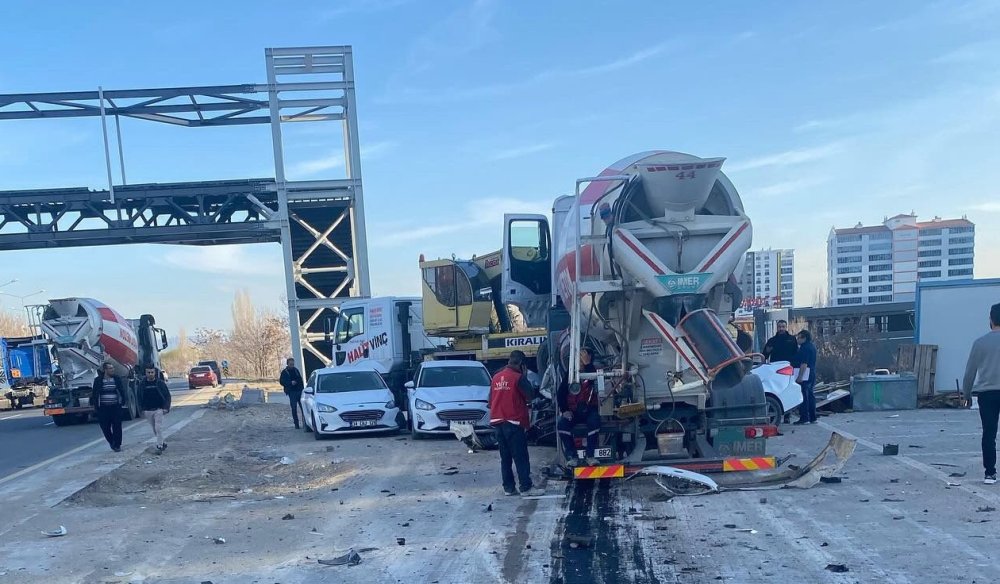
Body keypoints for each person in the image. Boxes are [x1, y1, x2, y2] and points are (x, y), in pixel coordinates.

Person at [488, 350, 542, 497]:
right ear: (522, 364)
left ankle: (509, 488)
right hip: (513, 422)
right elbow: (530, 395)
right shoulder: (518, 378)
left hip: (498, 423)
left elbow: (490, 401)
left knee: (505, 458)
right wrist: (525, 377)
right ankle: (526, 487)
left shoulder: (496, 377)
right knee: (520, 456)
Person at [962, 302, 1000, 485]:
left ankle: (990, 473)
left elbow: (970, 372)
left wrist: (967, 395)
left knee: (989, 433)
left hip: (987, 394)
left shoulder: (980, 343)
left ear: (991, 319)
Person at [557, 348, 601, 467]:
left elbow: (593, 380)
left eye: (583, 359)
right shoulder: (570, 375)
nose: (581, 362)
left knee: (595, 421)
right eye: (579, 359)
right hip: (573, 411)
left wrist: (588, 364)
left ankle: (590, 456)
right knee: (562, 424)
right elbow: (561, 394)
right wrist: (565, 410)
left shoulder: (593, 372)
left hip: (589, 410)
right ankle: (572, 456)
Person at [91, 362, 126, 452]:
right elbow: (94, 394)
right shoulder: (98, 380)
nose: (112, 370)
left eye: (112, 368)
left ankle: (117, 445)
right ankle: (111, 442)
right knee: (105, 427)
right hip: (103, 408)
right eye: (110, 368)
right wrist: (96, 406)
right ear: (105, 370)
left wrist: (123, 402)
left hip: (115, 407)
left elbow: (121, 390)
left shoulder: (116, 379)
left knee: (117, 426)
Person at [140, 366, 172, 454]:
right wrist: (141, 409)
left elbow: (167, 395)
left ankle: (159, 445)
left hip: (159, 409)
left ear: (155, 373)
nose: (150, 374)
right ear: (145, 373)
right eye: (148, 372)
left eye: (152, 372)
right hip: (147, 410)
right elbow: (139, 397)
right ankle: (162, 442)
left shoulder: (160, 383)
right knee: (154, 428)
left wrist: (166, 407)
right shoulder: (142, 384)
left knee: (158, 428)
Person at [793, 330, 817, 425]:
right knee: (810, 395)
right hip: (812, 373)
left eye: (799, 338)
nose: (797, 340)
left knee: (804, 395)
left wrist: (800, 377)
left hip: (806, 374)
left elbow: (804, 364)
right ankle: (813, 417)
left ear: (804, 338)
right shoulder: (812, 346)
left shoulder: (805, 348)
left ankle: (804, 417)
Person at [279, 358, 305, 429]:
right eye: (291, 364)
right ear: (287, 364)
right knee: (294, 408)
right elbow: (281, 382)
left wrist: (302, 389)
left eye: (293, 364)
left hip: (299, 391)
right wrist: (290, 383)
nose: (292, 365)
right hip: (291, 392)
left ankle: (305, 423)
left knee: (303, 408)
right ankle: (296, 424)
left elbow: (300, 379)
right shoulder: (284, 372)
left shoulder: (296, 370)